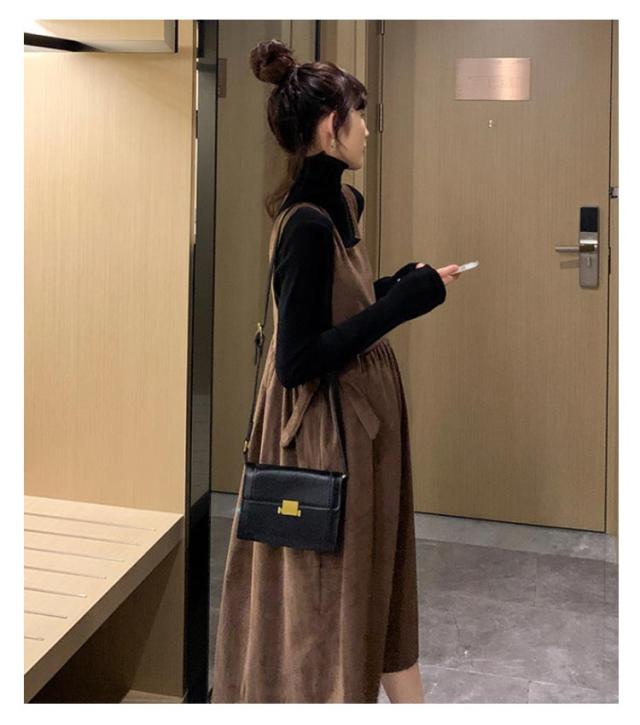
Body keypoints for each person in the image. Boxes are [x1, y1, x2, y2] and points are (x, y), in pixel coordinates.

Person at [211, 38, 461, 705]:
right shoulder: (305, 225)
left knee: (377, 588)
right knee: (332, 605)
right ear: (331, 128)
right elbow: (297, 359)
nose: (368, 129)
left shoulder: (341, 207)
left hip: (359, 433)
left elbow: (341, 305)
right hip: (326, 441)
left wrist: (402, 285)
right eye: (359, 114)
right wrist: (399, 307)